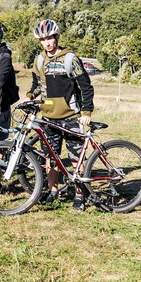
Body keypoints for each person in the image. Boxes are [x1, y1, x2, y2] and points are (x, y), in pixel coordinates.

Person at [27, 18, 94, 211]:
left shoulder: (70, 59)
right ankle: (53, 191)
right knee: (51, 158)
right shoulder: (39, 60)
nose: (47, 42)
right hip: (48, 117)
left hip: (72, 117)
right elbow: (37, 85)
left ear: (57, 37)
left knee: (76, 158)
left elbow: (86, 87)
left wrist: (86, 111)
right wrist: (30, 96)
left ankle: (80, 195)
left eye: (50, 38)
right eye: (43, 39)